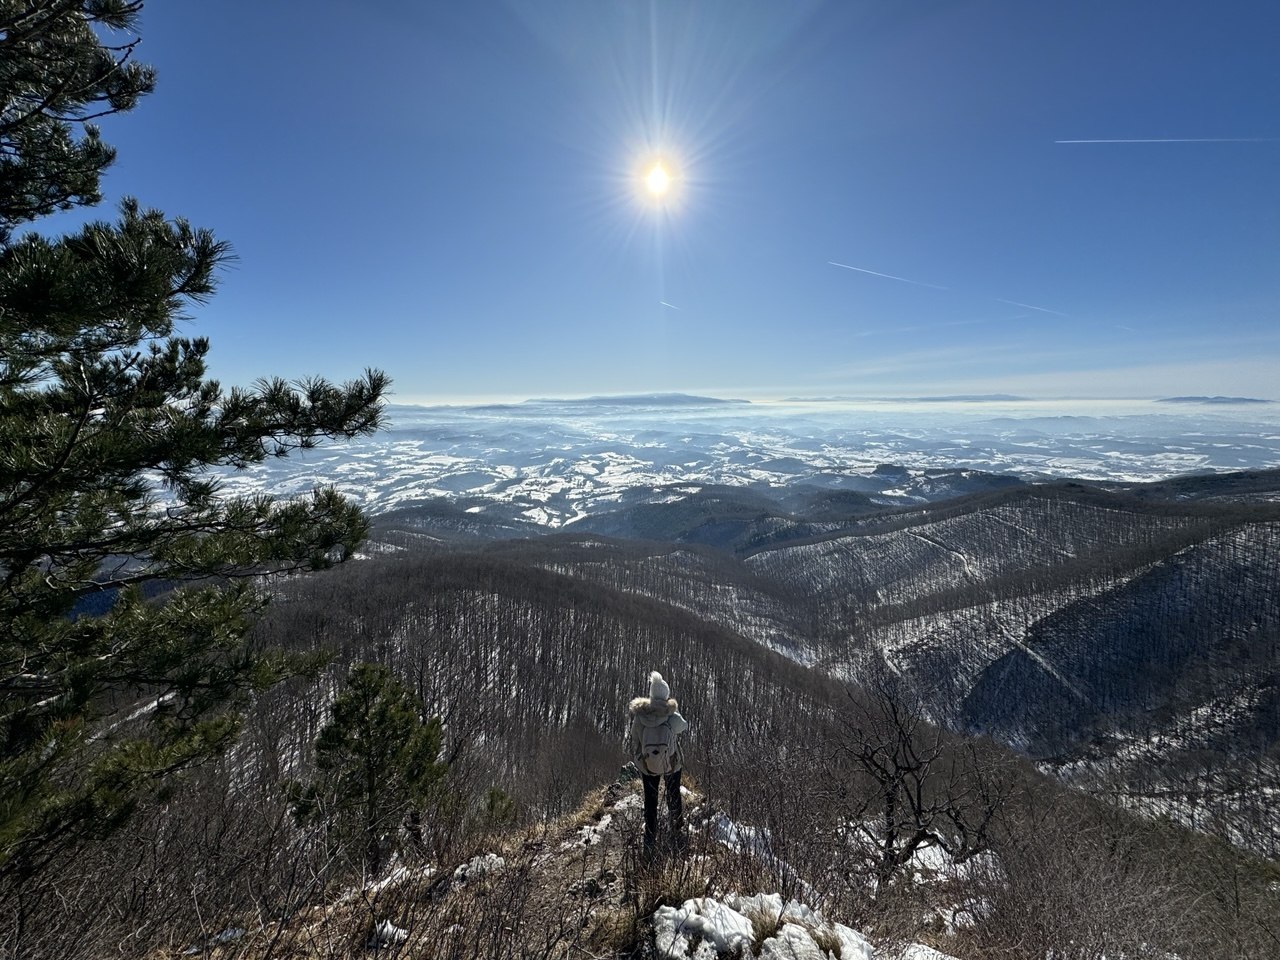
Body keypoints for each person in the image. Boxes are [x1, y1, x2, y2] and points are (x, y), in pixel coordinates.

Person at [628, 670, 689, 856]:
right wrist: (673, 712)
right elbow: (684, 727)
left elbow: (634, 740)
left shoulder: (640, 716)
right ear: (666, 695)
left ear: (651, 695)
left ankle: (650, 834)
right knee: (673, 794)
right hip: (671, 764)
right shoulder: (672, 716)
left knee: (651, 799)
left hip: (648, 766)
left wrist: (641, 761)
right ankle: (676, 825)